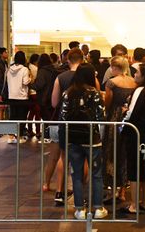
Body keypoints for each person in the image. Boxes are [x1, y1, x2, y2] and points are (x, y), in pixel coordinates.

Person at [59, 63, 107, 220]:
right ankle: (98, 208)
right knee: (96, 174)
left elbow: (63, 117)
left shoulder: (68, 93)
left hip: (73, 139)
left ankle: (80, 209)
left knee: (77, 174)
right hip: (92, 139)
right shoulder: (95, 93)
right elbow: (101, 117)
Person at [120, 63, 145, 214]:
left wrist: (123, 120)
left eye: (137, 72)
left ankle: (134, 204)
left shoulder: (139, 90)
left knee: (134, 168)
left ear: (144, 76)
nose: (135, 74)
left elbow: (131, 114)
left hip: (136, 132)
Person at [51, 48, 84, 205]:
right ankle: (81, 193)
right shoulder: (89, 76)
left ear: (68, 60)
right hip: (84, 123)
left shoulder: (61, 77)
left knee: (63, 157)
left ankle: (59, 192)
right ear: (83, 60)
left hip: (65, 121)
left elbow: (54, 102)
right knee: (84, 157)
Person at [103, 56, 137, 201]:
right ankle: (123, 191)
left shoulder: (111, 82)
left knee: (111, 153)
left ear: (114, 67)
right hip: (128, 118)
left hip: (114, 119)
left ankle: (112, 190)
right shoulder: (133, 82)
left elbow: (108, 103)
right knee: (125, 153)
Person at [29, 54, 58, 145]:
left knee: (46, 118)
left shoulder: (42, 71)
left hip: (44, 98)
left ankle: (47, 137)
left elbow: (39, 85)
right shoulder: (54, 69)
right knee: (51, 118)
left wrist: (30, 84)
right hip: (53, 97)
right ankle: (52, 137)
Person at [6, 51, 31, 144]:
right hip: (22, 96)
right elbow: (25, 82)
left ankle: (11, 137)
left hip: (11, 95)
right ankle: (19, 137)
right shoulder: (24, 69)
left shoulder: (9, 68)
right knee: (21, 117)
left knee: (12, 116)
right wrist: (31, 79)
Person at [27, 53, 41, 139]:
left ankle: (29, 130)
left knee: (31, 113)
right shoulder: (36, 69)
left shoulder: (28, 67)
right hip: (35, 93)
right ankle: (38, 131)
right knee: (37, 113)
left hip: (29, 93)